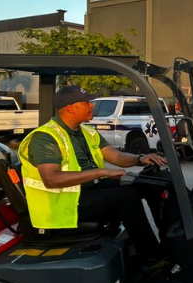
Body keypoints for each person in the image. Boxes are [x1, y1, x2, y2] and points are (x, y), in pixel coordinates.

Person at [17, 86, 171, 273]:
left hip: (81, 193)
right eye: (86, 103)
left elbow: (116, 157)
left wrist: (140, 159)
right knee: (126, 197)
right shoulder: (45, 138)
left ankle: (170, 241)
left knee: (149, 183)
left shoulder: (86, 132)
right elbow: (52, 179)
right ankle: (152, 259)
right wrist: (101, 172)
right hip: (60, 206)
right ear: (71, 107)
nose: (92, 106)